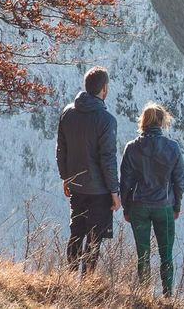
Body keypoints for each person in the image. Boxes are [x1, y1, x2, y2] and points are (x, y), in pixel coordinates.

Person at [56, 66, 121, 276]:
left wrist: (65, 177)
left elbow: (61, 148)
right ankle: (88, 283)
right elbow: (108, 159)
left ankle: (69, 279)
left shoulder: (68, 113)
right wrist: (114, 192)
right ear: (104, 88)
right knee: (94, 240)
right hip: (99, 191)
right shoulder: (106, 120)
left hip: (76, 185)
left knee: (76, 233)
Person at [120, 102, 184, 297]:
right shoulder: (172, 148)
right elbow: (179, 182)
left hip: (139, 206)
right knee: (166, 255)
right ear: (162, 122)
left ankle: (144, 295)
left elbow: (125, 182)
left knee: (143, 255)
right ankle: (167, 297)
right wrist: (177, 206)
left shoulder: (132, 147)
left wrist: (126, 208)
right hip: (164, 206)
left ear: (144, 122)